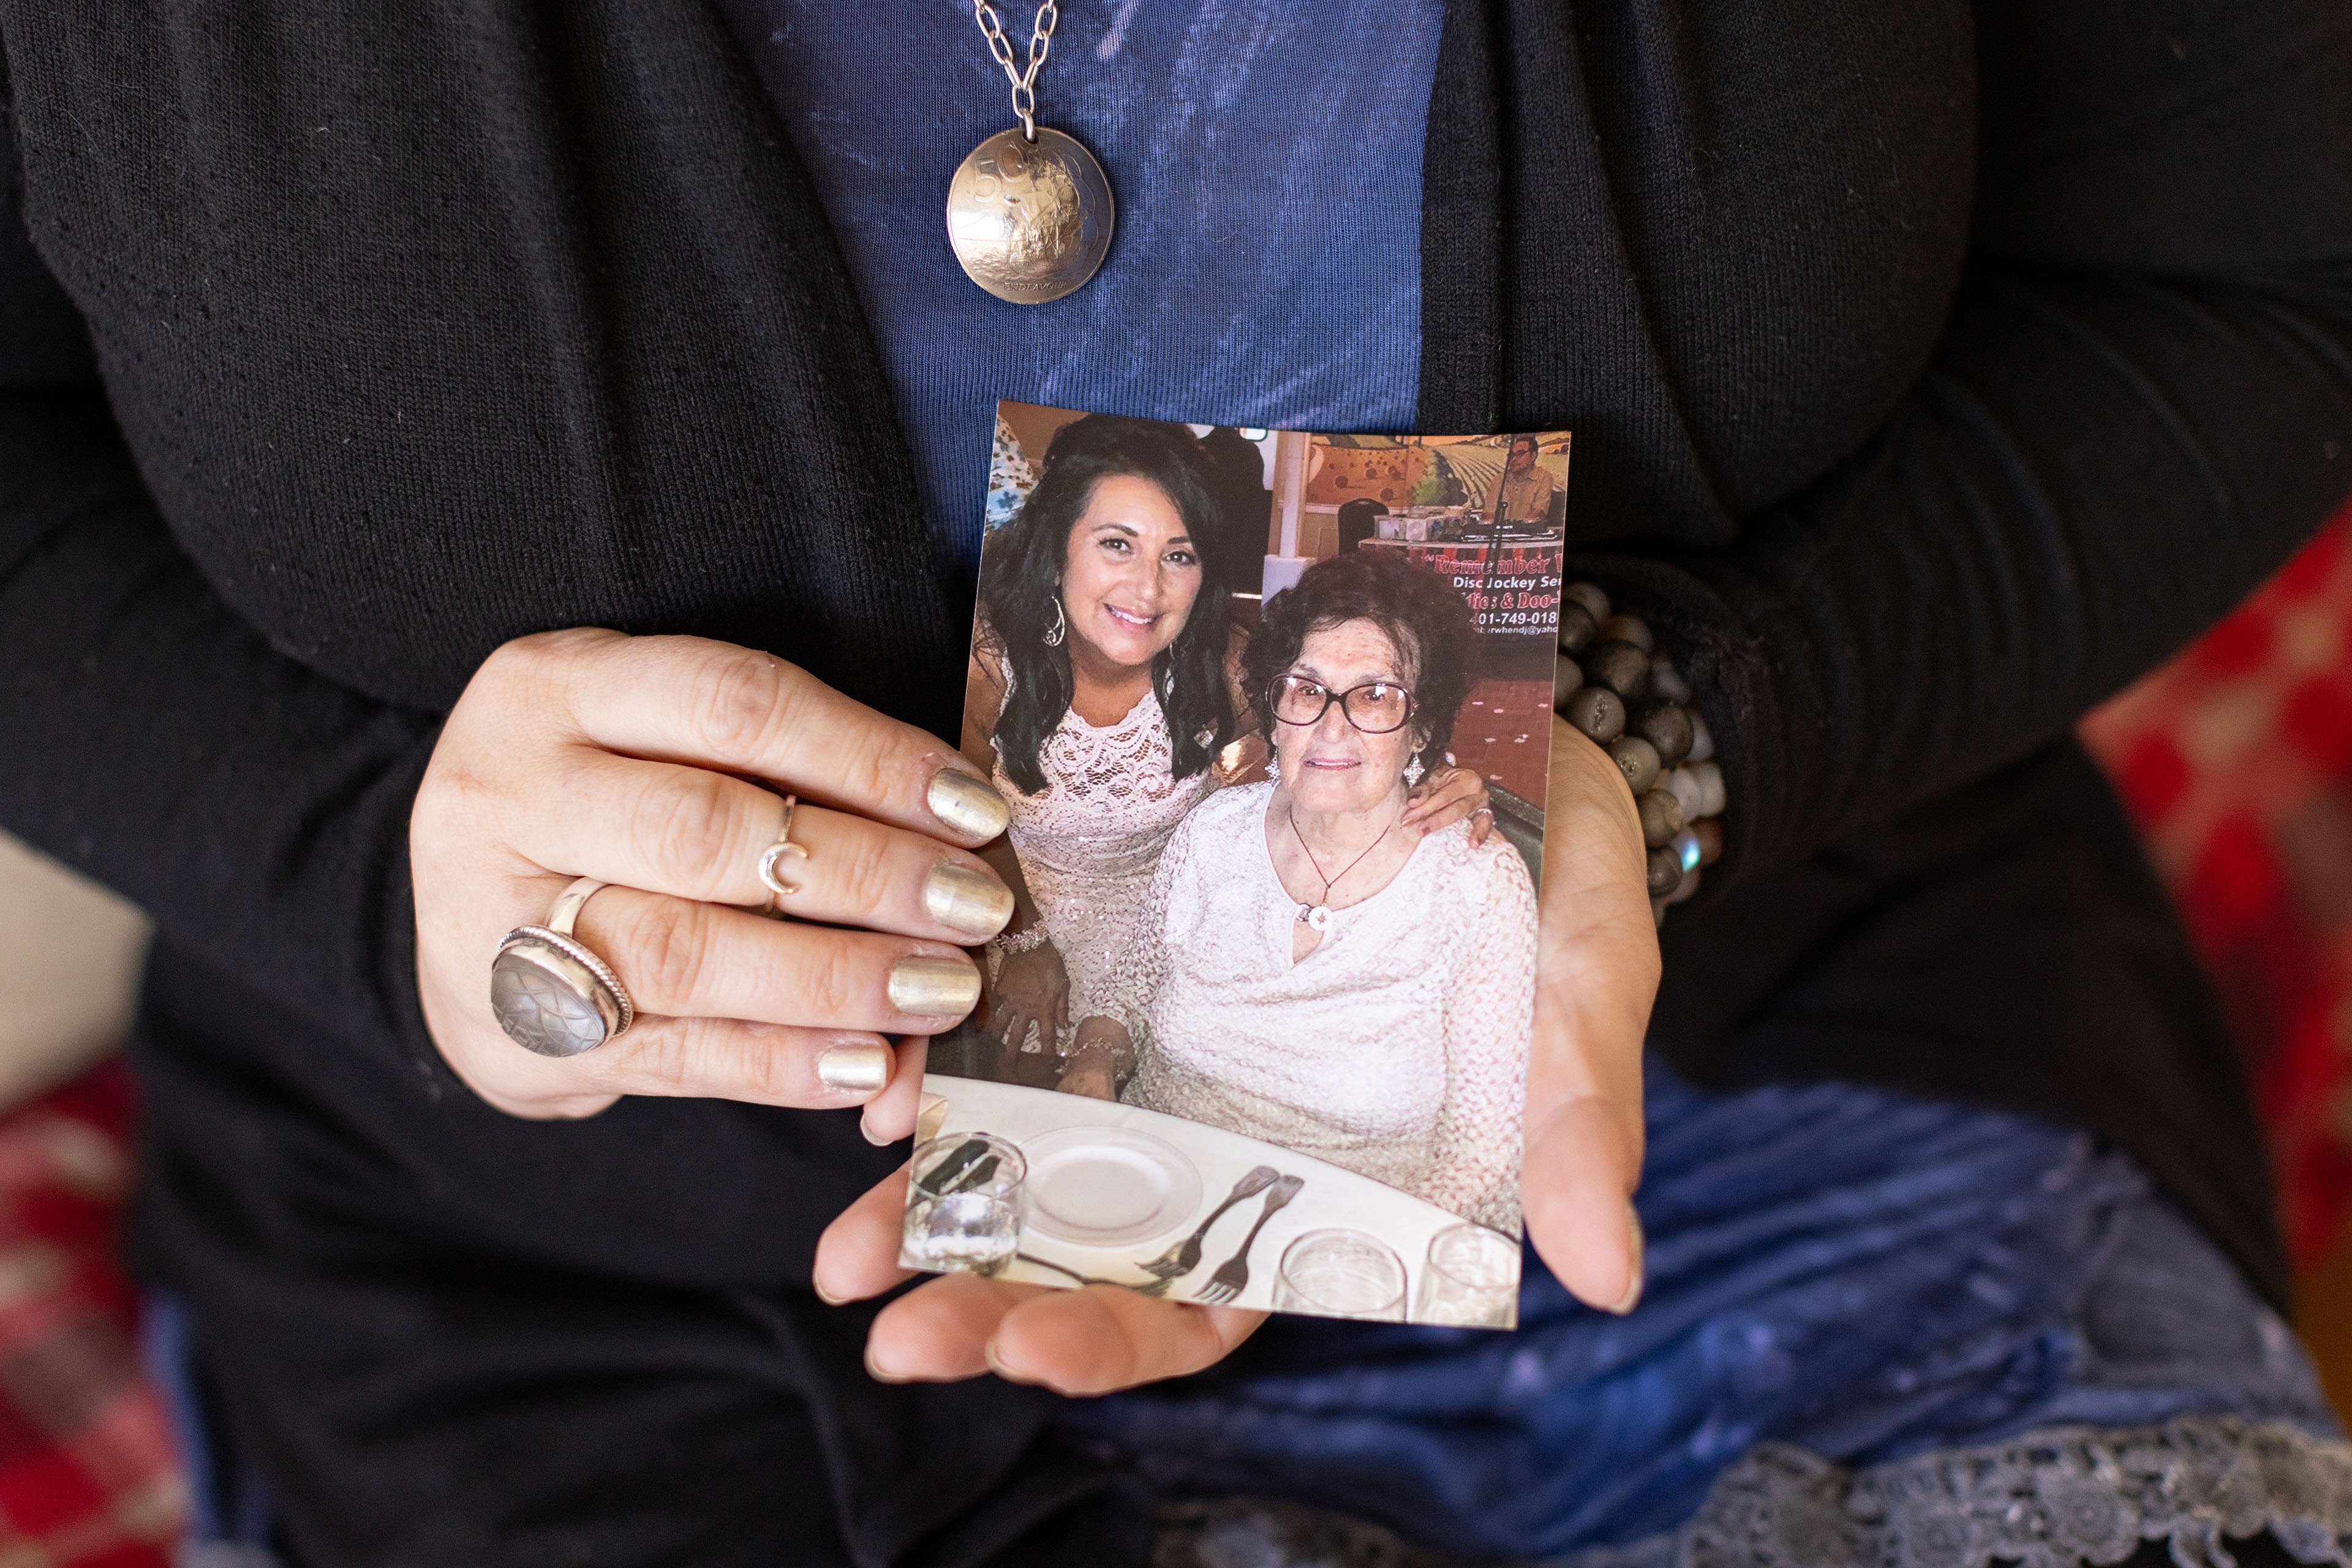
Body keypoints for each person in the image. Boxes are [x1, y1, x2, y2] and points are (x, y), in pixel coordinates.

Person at [0, 4, 2346, 1566]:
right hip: (568, 1286)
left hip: (1735, 1099)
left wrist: (1659, 723)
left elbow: (2263, 264)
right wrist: (361, 859)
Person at [959, 415, 1491, 1082]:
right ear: (1057, 547)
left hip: (1171, 927)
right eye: (1117, 544)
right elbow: (958, 817)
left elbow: (1336, 731)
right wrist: (1027, 942)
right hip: (1012, 906)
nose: (1147, 589)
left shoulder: (1227, 670)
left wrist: (1435, 776)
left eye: (1178, 555)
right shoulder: (987, 665)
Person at [1068, 554, 1536, 1232]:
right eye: (1307, 689)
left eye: (1376, 695)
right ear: (1275, 712)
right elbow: (1131, 991)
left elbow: (1484, 1154)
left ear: (1423, 729)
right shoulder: (1212, 834)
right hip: (1157, 1189)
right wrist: (1093, 1057)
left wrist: (1345, 1262)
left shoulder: (1475, 884)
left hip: (1357, 1235)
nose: (1332, 727)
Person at [1478, 432, 1555, 526]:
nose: (1513, 459)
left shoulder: (1544, 478)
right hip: (1500, 535)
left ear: (1533, 456)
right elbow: (1489, 513)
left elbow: (1538, 512)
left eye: (1520, 454)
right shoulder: (1499, 479)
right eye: (1511, 455)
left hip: (1527, 535)